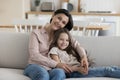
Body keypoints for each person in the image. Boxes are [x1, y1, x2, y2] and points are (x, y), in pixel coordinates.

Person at [24, 9, 88, 80]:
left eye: (63, 23)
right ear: (53, 15)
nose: (59, 23)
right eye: (59, 18)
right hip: (36, 65)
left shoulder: (62, 36)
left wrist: (83, 57)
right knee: (43, 75)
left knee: (59, 73)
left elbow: (77, 45)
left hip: (53, 69)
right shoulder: (36, 33)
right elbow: (34, 55)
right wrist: (56, 64)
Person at [48, 28, 120, 79]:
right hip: (72, 73)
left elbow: (79, 49)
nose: (64, 42)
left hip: (79, 69)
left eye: (67, 40)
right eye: (61, 39)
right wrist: (77, 69)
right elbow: (59, 67)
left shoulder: (68, 50)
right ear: (56, 40)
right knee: (107, 70)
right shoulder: (54, 50)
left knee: (112, 67)